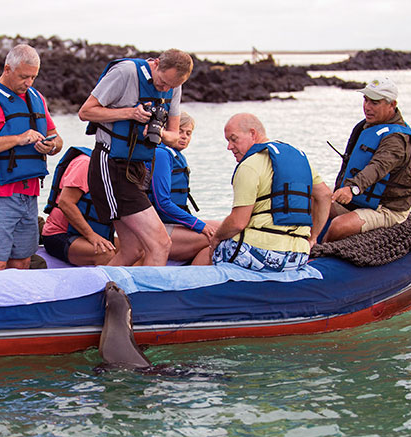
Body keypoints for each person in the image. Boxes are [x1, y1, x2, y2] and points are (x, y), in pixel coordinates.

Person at [78, 49, 193, 266]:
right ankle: (147, 299)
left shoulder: (174, 85)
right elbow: (85, 112)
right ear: (156, 63)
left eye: (171, 86)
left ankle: (103, 294)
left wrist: (157, 132)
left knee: (133, 250)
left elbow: (173, 136)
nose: (165, 89)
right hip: (110, 164)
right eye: (162, 83)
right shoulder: (125, 73)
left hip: (138, 168)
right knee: (161, 244)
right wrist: (130, 113)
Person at [0, 44, 63, 271]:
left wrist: (51, 146)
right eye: (24, 77)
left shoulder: (36, 97)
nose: (28, 83)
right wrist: (19, 139)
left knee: (23, 261)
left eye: (33, 77)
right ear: (7, 69)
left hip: (28, 195)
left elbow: (57, 140)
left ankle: (17, 306)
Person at [193, 113, 331, 272]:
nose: (229, 147)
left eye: (233, 139)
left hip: (263, 254)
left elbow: (238, 222)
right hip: (298, 256)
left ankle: (186, 291)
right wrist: (313, 237)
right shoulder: (299, 159)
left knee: (207, 252)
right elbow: (325, 195)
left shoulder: (249, 165)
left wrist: (217, 238)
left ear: (252, 133)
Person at [325, 76, 411, 242]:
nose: (367, 107)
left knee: (338, 226)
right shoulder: (370, 126)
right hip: (361, 201)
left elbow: (377, 167)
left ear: (392, 105)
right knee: (315, 200)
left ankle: (320, 254)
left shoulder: (396, 139)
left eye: (375, 102)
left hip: (386, 208)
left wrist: (352, 188)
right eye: (366, 100)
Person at [146, 112, 220, 262]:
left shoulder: (174, 154)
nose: (185, 136)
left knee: (223, 228)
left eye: (188, 133)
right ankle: (192, 278)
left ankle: (194, 274)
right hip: (157, 227)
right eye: (180, 131)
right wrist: (198, 225)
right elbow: (162, 204)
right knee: (216, 236)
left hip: (170, 222)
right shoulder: (160, 154)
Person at [42, 147, 116, 266]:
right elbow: (65, 203)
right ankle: (103, 285)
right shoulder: (86, 164)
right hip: (60, 234)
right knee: (106, 253)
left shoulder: (117, 170)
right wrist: (91, 235)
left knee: (137, 250)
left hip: (92, 234)